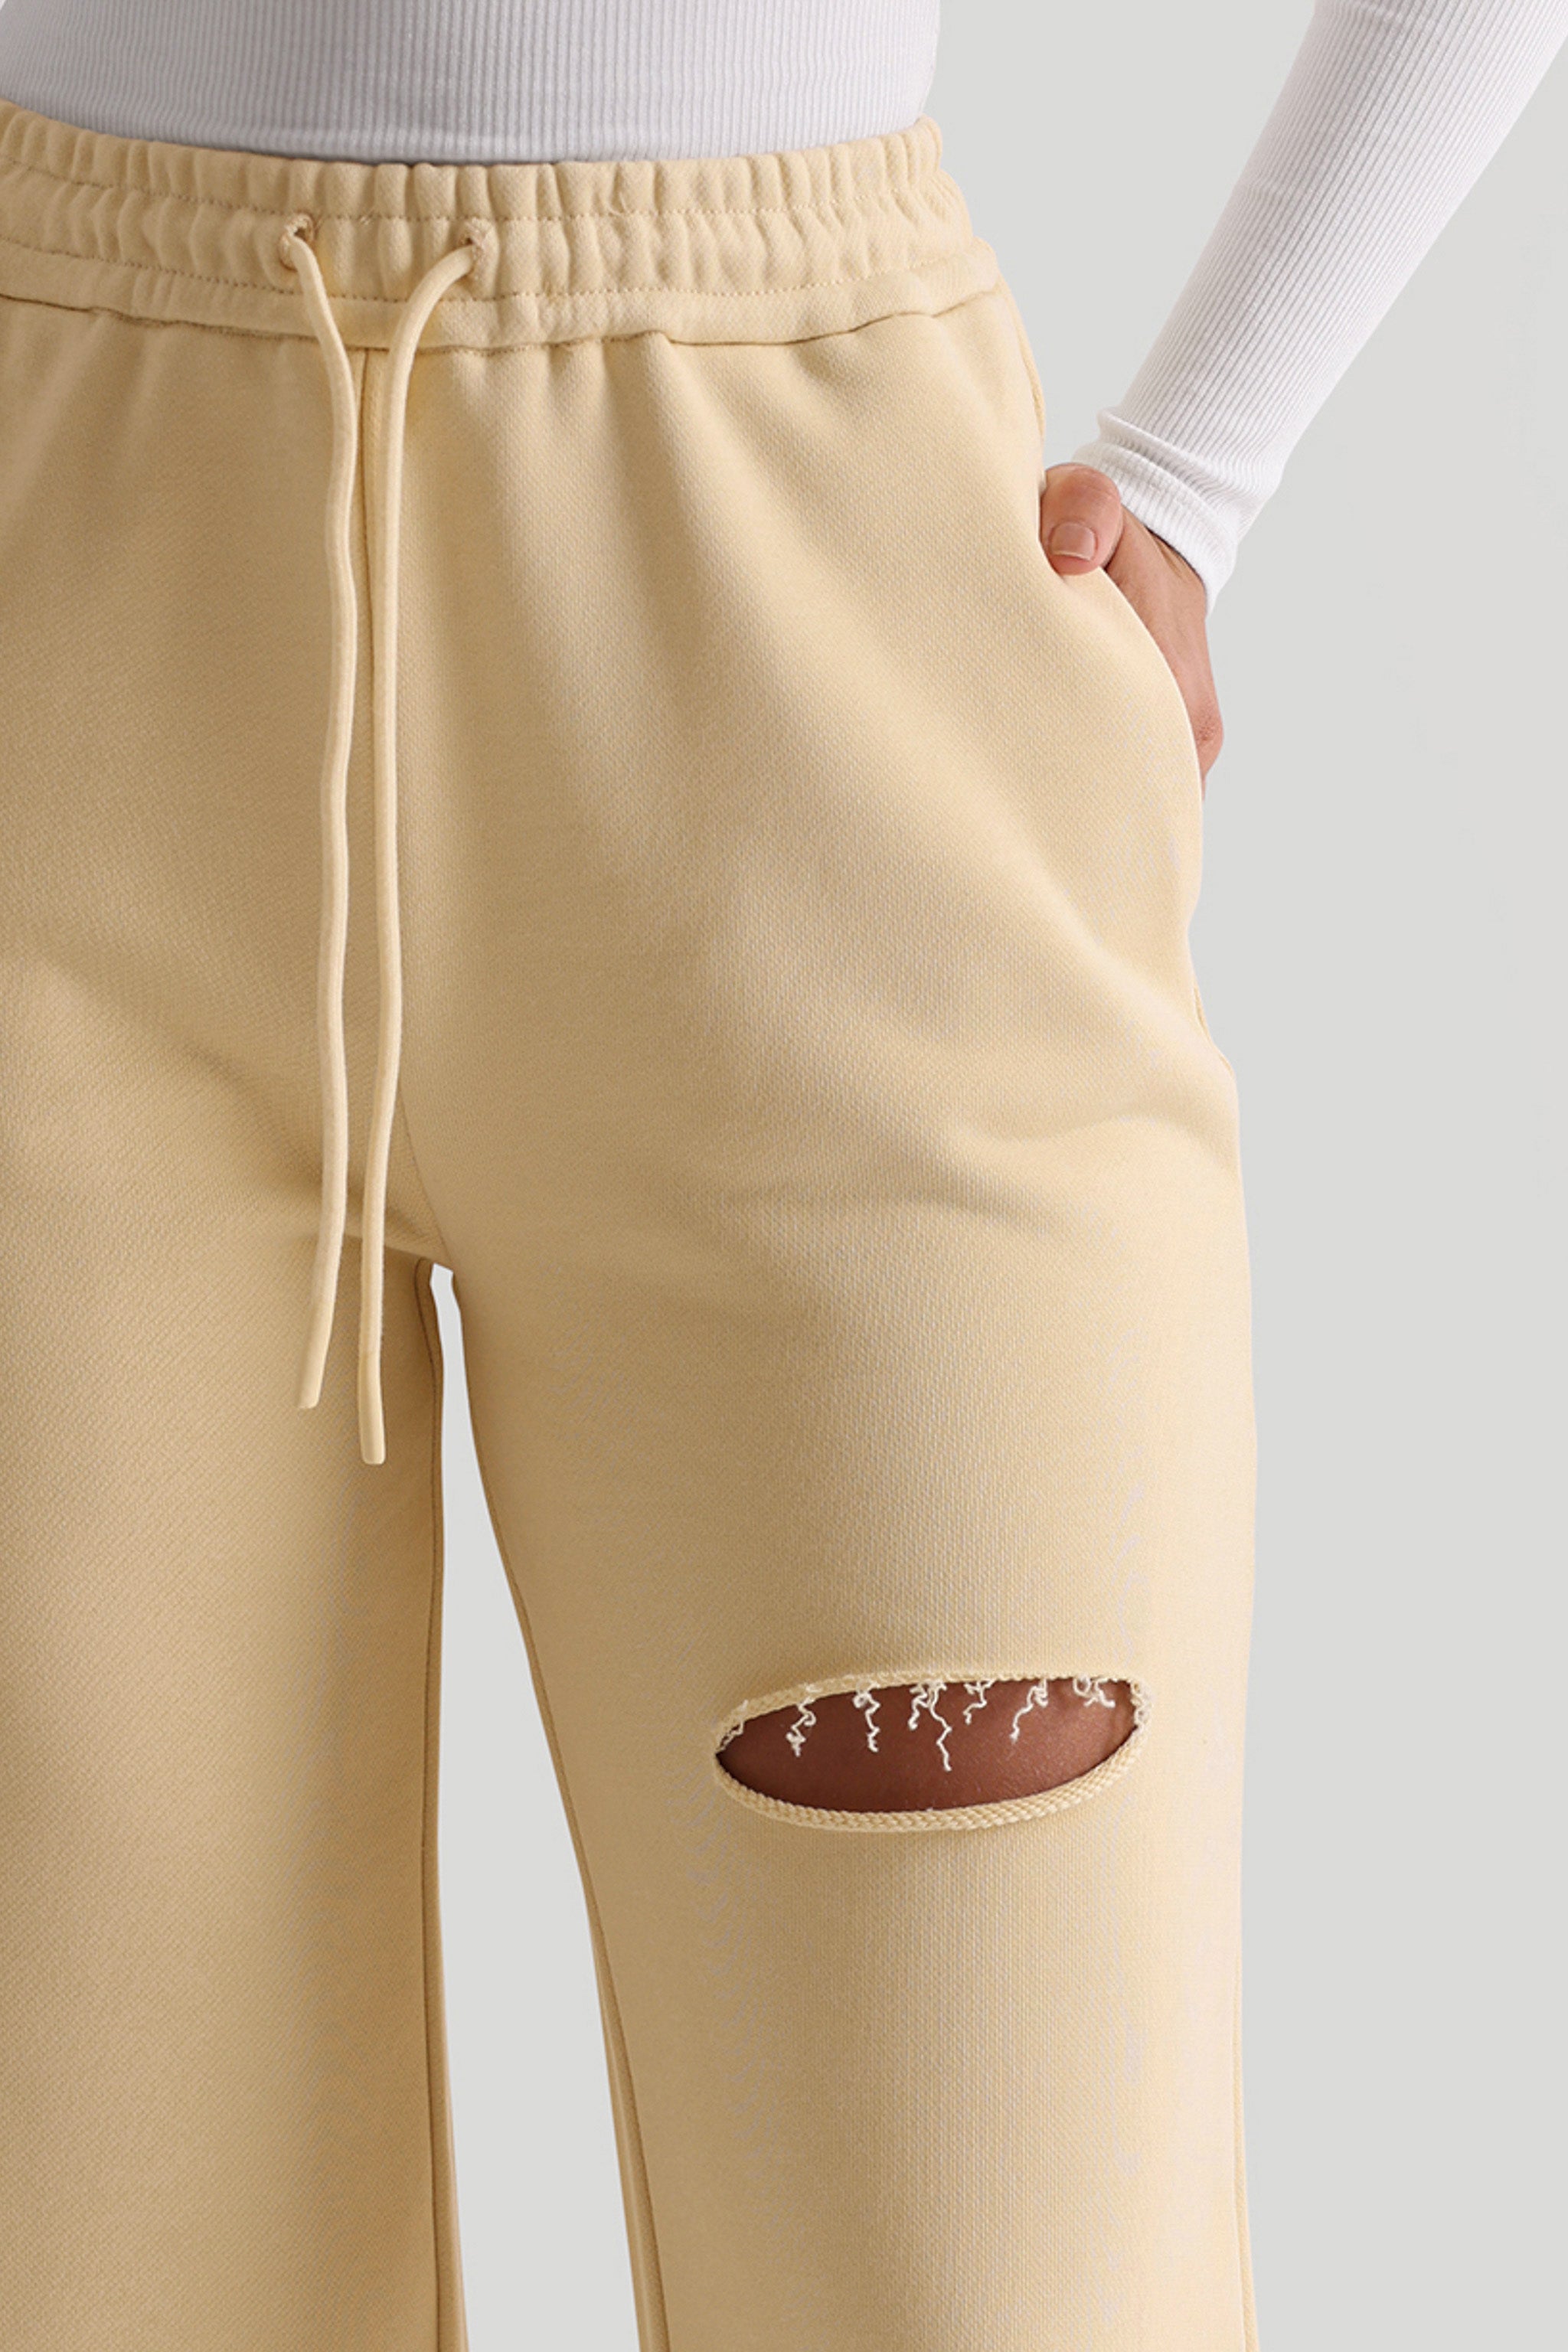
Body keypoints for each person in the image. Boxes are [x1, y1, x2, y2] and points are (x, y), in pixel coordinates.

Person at [0, 3, 1561, 2347]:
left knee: (999, 2269)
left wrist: (1202, 469)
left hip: (823, 663)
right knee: (89, 2259)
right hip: (60, 602)